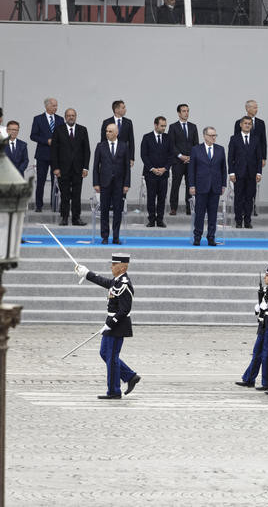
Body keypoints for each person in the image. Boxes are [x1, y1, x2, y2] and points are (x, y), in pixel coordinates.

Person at [74, 253, 141, 400]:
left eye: (114, 264)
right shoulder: (117, 281)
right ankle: (130, 376)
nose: (111, 266)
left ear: (123, 267)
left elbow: (125, 310)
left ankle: (114, 391)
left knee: (111, 357)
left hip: (118, 325)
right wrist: (87, 274)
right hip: (112, 324)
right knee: (105, 353)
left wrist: (110, 324)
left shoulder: (125, 284)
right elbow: (105, 282)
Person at [93, 124, 131, 245]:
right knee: (104, 210)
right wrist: (96, 183)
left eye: (110, 131)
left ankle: (116, 237)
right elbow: (95, 167)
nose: (107, 133)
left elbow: (127, 167)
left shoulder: (124, 146)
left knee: (117, 211)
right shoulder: (100, 146)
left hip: (119, 184)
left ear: (116, 133)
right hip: (104, 183)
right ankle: (104, 236)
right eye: (106, 131)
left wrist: (126, 184)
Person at [51, 109, 90, 226]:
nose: (71, 117)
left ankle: (76, 218)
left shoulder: (82, 130)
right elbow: (54, 151)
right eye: (68, 116)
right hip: (63, 169)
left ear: (76, 116)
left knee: (77, 195)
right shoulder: (58, 130)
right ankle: (64, 217)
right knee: (65, 195)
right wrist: (55, 168)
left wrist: (85, 167)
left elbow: (86, 150)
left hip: (78, 169)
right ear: (65, 117)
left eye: (73, 115)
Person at [189, 127, 227, 246]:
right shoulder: (196, 149)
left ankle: (211, 237)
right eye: (211, 135)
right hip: (201, 186)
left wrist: (223, 184)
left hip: (215, 186)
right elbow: (191, 169)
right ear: (205, 136)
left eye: (215, 135)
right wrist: (192, 185)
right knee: (199, 214)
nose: (213, 137)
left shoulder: (220, 149)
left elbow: (223, 169)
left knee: (213, 214)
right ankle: (197, 237)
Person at [30, 97, 64, 212]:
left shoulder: (60, 119)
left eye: (56, 105)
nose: (56, 107)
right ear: (47, 106)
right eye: (54, 105)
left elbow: (62, 136)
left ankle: (54, 205)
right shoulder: (38, 119)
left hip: (57, 155)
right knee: (41, 180)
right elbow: (33, 136)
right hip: (42, 155)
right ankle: (39, 205)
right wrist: (46, 140)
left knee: (56, 181)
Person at [228, 116, 262, 229]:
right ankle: (238, 220)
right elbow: (230, 157)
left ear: (251, 126)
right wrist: (231, 173)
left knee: (249, 198)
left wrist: (259, 172)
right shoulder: (234, 138)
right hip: (238, 173)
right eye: (245, 123)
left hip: (252, 174)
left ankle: (247, 220)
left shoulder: (256, 139)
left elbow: (259, 157)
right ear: (241, 125)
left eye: (249, 124)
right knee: (238, 197)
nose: (247, 125)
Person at [140, 116, 173, 228]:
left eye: (165, 126)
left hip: (163, 174)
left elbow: (171, 155)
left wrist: (165, 168)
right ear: (155, 125)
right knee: (151, 197)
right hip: (150, 173)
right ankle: (151, 220)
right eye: (162, 126)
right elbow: (144, 155)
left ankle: (160, 220)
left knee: (162, 198)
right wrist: (153, 169)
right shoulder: (147, 137)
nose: (164, 128)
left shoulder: (168, 138)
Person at [168, 104, 199, 216]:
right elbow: (171, 145)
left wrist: (191, 157)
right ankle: (173, 208)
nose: (186, 113)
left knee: (190, 184)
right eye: (184, 111)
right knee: (175, 184)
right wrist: (180, 156)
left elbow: (196, 144)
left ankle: (189, 207)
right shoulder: (173, 127)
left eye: (187, 111)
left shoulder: (193, 126)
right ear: (179, 113)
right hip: (177, 161)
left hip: (191, 161)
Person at [100, 100, 135, 167]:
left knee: (123, 176)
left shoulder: (128, 122)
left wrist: (131, 158)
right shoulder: (106, 122)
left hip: (124, 155)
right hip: (109, 156)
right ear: (116, 110)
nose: (125, 109)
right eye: (123, 108)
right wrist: (103, 157)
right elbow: (103, 140)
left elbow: (131, 141)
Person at [233, 100, 267, 168]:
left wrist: (263, 158)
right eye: (254, 108)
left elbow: (263, 141)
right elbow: (236, 141)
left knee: (254, 177)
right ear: (247, 108)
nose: (256, 110)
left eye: (257, 108)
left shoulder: (261, 123)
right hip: (241, 157)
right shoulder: (238, 123)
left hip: (256, 156)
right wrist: (234, 158)